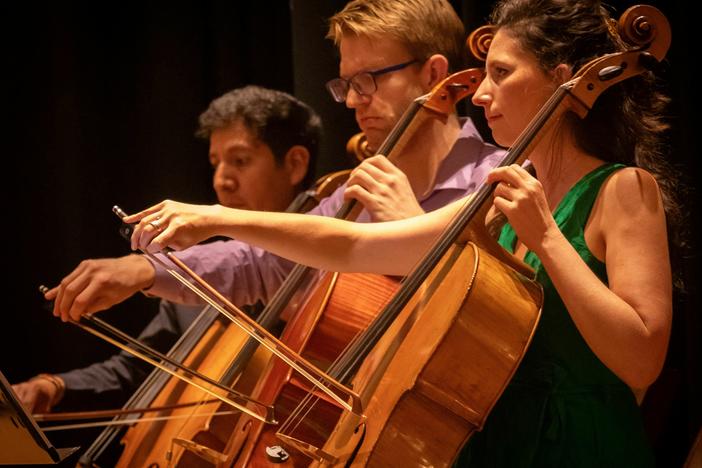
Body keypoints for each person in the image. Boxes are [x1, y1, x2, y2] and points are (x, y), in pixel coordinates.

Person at [120, 0, 684, 465]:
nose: (481, 95)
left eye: (502, 74)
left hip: (582, 448)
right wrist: (215, 218)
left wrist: (547, 240)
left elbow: (641, 362)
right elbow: (353, 245)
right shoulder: (497, 198)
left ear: (564, 81)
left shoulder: (624, 191)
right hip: (494, 444)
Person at [46, 1, 504, 336]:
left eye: (370, 79)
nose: (354, 100)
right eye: (345, 84)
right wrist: (145, 271)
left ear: (432, 73)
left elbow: (499, 318)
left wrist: (414, 227)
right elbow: (263, 259)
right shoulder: (356, 192)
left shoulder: (497, 178)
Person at [12, 85, 321, 413]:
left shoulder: (328, 276)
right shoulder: (195, 274)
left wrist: (146, 268)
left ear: (295, 164)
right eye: (215, 163)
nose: (221, 180)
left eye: (240, 161)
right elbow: (141, 368)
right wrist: (54, 387)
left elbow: (261, 264)